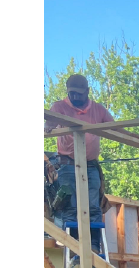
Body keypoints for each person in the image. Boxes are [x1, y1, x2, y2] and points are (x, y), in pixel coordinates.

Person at [47, 75, 114, 251]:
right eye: (72, 93)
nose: (75, 96)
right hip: (67, 164)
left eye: (79, 93)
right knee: (70, 206)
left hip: (90, 165)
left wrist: (133, 136)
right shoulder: (59, 107)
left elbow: (115, 128)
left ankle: (93, 245)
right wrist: (48, 128)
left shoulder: (98, 110)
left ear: (87, 91)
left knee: (93, 206)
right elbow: (48, 126)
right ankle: (73, 244)